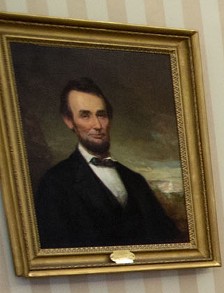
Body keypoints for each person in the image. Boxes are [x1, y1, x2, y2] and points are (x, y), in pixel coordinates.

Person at [32, 78, 182, 249]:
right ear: (69, 121)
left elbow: (168, 238)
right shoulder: (55, 183)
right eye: (85, 115)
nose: (97, 125)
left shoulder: (135, 180)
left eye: (101, 115)